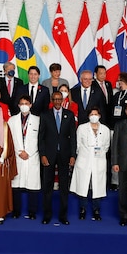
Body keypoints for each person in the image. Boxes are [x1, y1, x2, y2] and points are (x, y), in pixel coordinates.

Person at [38, 91, 77, 225]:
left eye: (59, 99)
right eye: (55, 99)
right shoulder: (45, 115)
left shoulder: (70, 115)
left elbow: (73, 137)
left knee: (64, 187)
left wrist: (73, 155)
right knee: (47, 186)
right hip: (48, 155)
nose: (57, 102)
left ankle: (63, 216)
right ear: (51, 100)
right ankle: (47, 215)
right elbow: (41, 137)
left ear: (62, 100)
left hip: (65, 155)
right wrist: (42, 154)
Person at [71, 107, 111, 221]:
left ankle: (96, 210)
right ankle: (82, 209)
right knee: (83, 185)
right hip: (84, 160)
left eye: (96, 114)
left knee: (97, 186)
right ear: (88, 116)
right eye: (92, 114)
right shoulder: (82, 128)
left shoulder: (105, 129)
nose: (94, 116)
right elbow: (77, 145)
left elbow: (107, 146)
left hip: (99, 161)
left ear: (99, 115)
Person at [8, 95, 41, 219]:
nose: (24, 106)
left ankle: (32, 212)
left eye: (26, 103)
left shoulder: (38, 120)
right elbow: (10, 139)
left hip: (32, 156)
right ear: (18, 105)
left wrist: (29, 152)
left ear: (31, 105)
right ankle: (16, 211)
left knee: (32, 186)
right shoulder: (12, 120)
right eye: (21, 103)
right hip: (17, 156)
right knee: (15, 186)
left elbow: (39, 140)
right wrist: (19, 151)